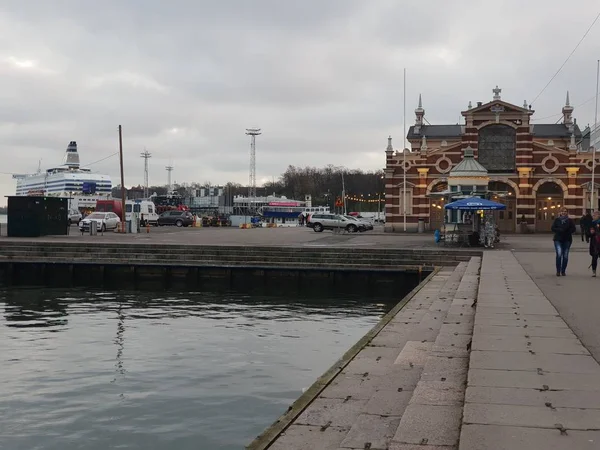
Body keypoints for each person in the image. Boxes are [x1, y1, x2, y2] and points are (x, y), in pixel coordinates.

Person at [551, 207, 576, 276]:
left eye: (565, 211)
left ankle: (563, 271)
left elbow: (573, 229)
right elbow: (553, 228)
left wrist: (568, 231)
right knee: (559, 254)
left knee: (565, 256)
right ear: (560, 213)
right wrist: (559, 230)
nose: (563, 213)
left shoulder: (570, 221)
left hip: (567, 239)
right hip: (558, 239)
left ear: (567, 212)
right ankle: (558, 271)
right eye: (562, 211)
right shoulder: (557, 220)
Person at [589, 211, 600, 277]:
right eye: (593, 215)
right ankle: (594, 271)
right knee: (594, 257)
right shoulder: (591, 223)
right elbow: (588, 233)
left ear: (598, 215)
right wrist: (591, 233)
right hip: (594, 242)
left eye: (595, 215)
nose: (593, 216)